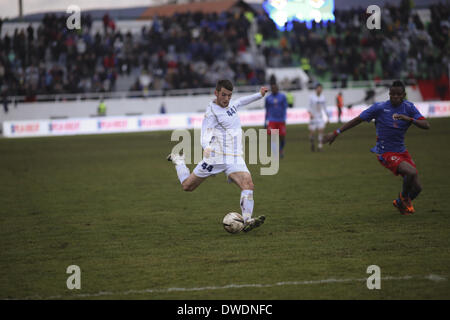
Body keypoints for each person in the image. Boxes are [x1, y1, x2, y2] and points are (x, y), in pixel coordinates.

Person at [167, 80, 268, 232]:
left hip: (234, 156)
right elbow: (205, 132)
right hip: (216, 157)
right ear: (216, 93)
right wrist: (206, 147)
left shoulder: (231, 104)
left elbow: (241, 101)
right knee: (187, 186)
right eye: (223, 95)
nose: (226, 99)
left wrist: (259, 95)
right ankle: (179, 161)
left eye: (229, 95)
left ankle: (247, 220)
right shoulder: (211, 112)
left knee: (248, 184)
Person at [323, 80, 430, 215]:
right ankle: (404, 197)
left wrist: (409, 119)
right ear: (389, 94)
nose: (395, 97)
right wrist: (336, 133)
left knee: (418, 188)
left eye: (398, 94)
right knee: (411, 172)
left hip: (402, 151)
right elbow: (358, 119)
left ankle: (399, 202)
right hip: (385, 152)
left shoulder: (409, 108)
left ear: (403, 95)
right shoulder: (379, 108)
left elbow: (426, 125)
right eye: (392, 94)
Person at [265, 81, 288, 158]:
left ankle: (281, 149)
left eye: (275, 88)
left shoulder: (282, 97)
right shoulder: (268, 98)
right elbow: (267, 110)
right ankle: (275, 153)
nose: (274, 89)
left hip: (281, 120)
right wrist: (265, 120)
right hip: (272, 120)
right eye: (273, 88)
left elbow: (285, 108)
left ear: (278, 89)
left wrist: (284, 118)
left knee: (282, 137)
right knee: (273, 137)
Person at [308, 83, 329, 152]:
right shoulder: (311, 97)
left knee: (321, 131)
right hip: (313, 117)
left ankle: (320, 147)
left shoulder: (323, 98)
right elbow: (308, 107)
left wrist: (327, 117)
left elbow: (325, 108)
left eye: (320, 88)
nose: (319, 89)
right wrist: (310, 114)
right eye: (318, 88)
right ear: (315, 89)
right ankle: (312, 142)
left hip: (320, 117)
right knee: (312, 133)